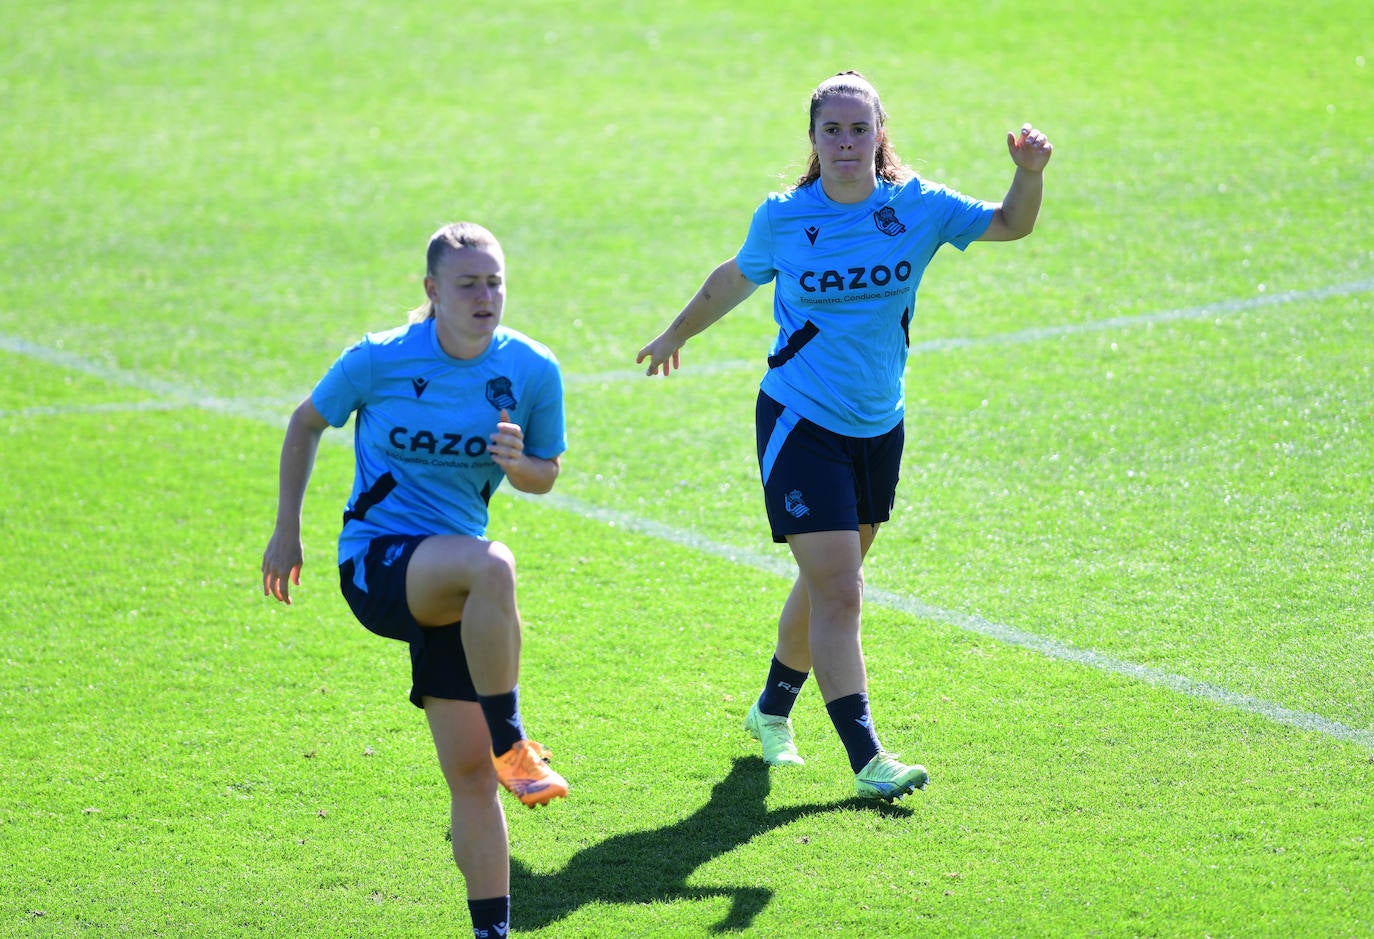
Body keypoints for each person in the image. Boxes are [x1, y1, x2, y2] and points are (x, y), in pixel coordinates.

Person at [636, 71, 1053, 802]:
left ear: (880, 134)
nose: (846, 142)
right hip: (799, 419)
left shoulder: (915, 206)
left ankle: (770, 709)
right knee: (841, 589)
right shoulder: (786, 216)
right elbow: (733, 279)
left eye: (859, 128)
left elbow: (1011, 224)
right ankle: (867, 758)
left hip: (878, 424)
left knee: (826, 580)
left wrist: (1027, 175)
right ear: (813, 139)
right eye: (832, 129)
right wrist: (675, 333)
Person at [262, 221, 569, 939]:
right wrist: (287, 527)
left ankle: (490, 930)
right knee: (494, 562)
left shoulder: (531, 370)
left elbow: (545, 476)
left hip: (459, 595)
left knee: (468, 775)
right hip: (379, 562)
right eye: (467, 284)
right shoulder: (380, 359)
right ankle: (514, 738)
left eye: (494, 281)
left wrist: (518, 461)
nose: (484, 295)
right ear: (432, 292)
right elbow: (306, 422)